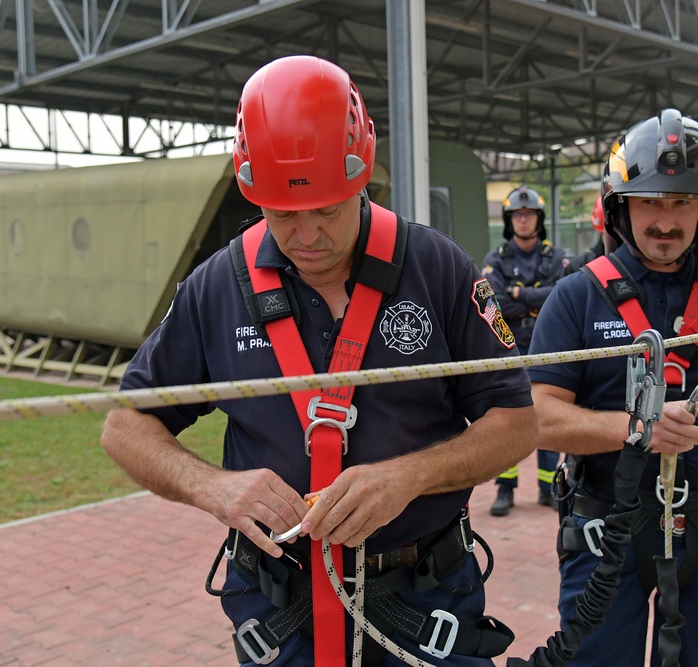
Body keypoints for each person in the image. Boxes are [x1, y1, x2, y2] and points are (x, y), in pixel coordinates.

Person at [100, 55, 537, 667]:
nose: (306, 235)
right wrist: (214, 488)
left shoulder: (437, 269)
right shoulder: (218, 286)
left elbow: (516, 421)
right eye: (281, 213)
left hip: (424, 598)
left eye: (327, 209)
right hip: (282, 610)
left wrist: (405, 479)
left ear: (362, 180)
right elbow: (125, 426)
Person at [527, 108, 698, 666]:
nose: (666, 221)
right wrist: (635, 430)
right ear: (620, 207)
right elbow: (536, 416)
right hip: (608, 532)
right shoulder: (577, 299)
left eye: (682, 202)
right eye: (650, 201)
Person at [481, 185, 569, 516]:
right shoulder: (496, 259)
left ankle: (548, 488)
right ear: (508, 220)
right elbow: (496, 303)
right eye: (517, 215)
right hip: (509, 347)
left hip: (549, 347)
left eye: (528, 215)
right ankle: (505, 489)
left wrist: (519, 294)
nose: (523, 221)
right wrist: (535, 298)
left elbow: (562, 298)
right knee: (506, 418)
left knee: (548, 413)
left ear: (539, 219)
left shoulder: (555, 256)